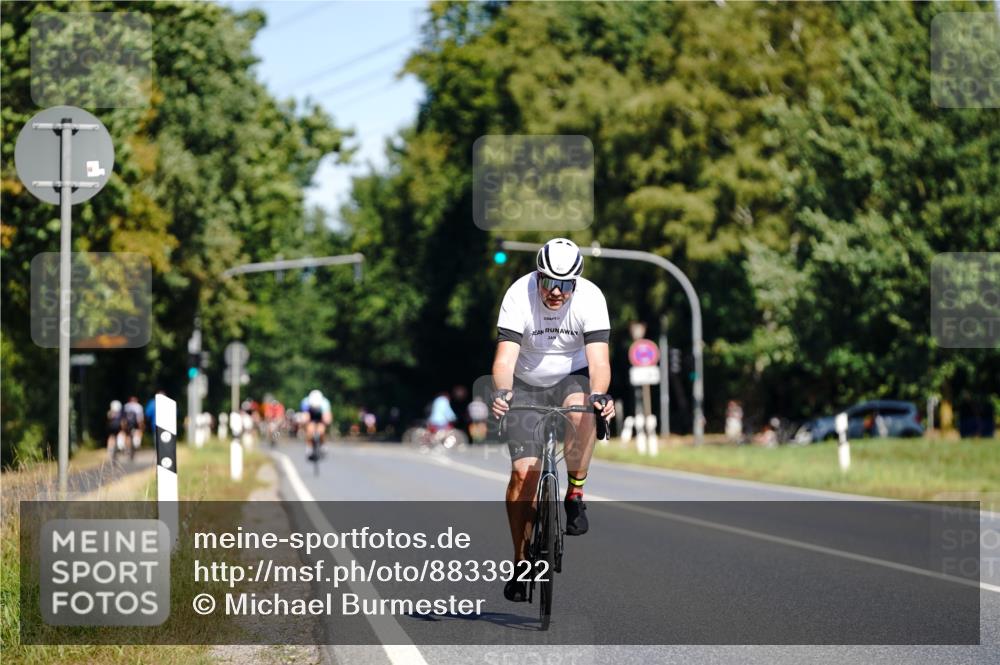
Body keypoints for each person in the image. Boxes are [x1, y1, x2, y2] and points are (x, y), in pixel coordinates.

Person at [490, 237, 615, 602]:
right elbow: (504, 360)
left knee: (583, 410)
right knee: (521, 475)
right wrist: (502, 391)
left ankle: (575, 491)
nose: (557, 292)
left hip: (571, 377)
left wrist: (600, 395)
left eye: (565, 285)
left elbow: (600, 363)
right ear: (538, 275)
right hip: (525, 384)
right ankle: (520, 563)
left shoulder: (591, 298)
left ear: (576, 282)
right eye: (550, 282)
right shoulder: (518, 295)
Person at [300, 389, 332, 461]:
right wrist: (305, 422)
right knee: (309, 430)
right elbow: (305, 416)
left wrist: (326, 422)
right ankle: (309, 448)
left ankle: (323, 444)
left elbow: (327, 417)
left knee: (321, 430)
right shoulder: (305, 402)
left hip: (320, 417)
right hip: (311, 416)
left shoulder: (325, 403)